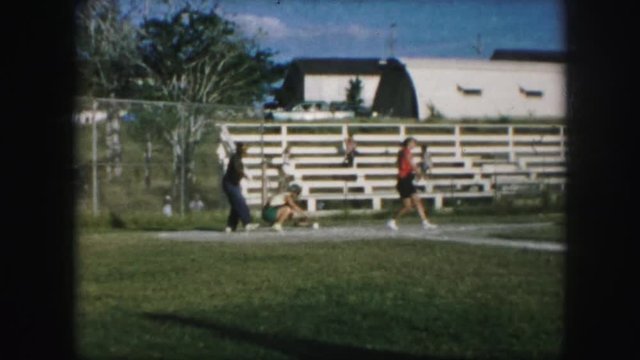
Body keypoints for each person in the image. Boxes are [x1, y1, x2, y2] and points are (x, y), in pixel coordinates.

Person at [386, 137, 437, 231]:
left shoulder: (402, 152)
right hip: (404, 180)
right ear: (409, 143)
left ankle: (425, 222)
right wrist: (421, 173)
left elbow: (404, 165)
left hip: (406, 179)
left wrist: (418, 170)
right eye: (414, 143)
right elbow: (412, 165)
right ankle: (392, 220)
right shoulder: (406, 152)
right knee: (408, 207)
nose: (415, 145)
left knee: (417, 200)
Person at [222, 142, 259, 232]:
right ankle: (247, 223)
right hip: (229, 183)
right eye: (244, 150)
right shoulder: (235, 158)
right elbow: (237, 169)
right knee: (240, 202)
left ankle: (230, 226)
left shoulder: (239, 158)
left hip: (235, 184)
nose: (245, 152)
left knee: (236, 205)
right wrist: (245, 175)